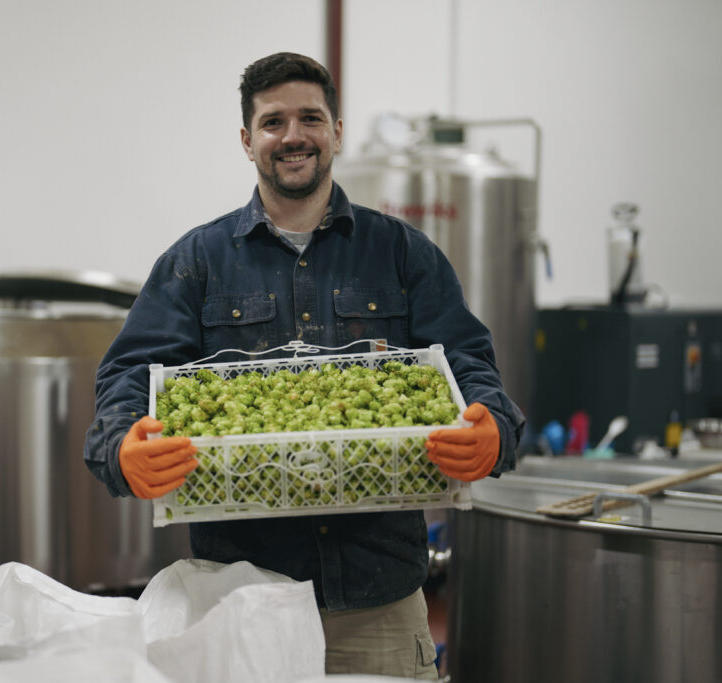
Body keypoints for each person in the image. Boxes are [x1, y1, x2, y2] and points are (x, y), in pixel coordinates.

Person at [84, 51, 525, 678]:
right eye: (272, 122)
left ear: (337, 132)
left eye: (310, 118)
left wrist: (493, 430)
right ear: (247, 140)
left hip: (377, 603)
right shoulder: (197, 260)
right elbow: (127, 376)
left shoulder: (403, 254)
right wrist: (123, 446)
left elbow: (470, 363)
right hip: (239, 604)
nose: (293, 136)